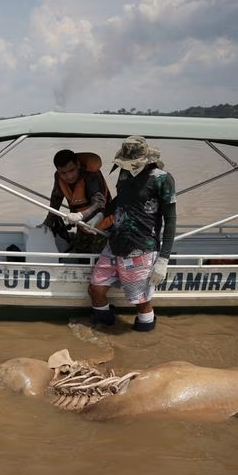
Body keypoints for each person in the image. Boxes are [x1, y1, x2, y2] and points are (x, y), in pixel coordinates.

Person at [87, 136, 177, 332]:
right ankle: (104, 328)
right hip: (115, 242)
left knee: (140, 300)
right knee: (95, 288)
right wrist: (102, 214)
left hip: (140, 249)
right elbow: (121, 198)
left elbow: (171, 221)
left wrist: (163, 260)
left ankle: (145, 334)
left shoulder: (162, 179)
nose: (127, 166)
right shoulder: (125, 173)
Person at [41, 149, 114, 254]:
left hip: (102, 226)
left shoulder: (91, 176)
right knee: (80, 253)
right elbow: (56, 198)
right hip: (82, 225)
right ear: (58, 171)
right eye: (63, 173)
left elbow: (99, 202)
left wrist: (80, 215)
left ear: (78, 165)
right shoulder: (58, 177)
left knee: (97, 257)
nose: (69, 176)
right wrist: (48, 221)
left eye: (72, 170)